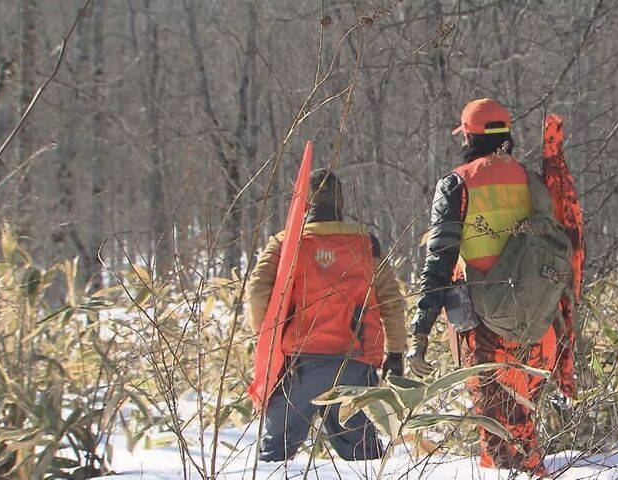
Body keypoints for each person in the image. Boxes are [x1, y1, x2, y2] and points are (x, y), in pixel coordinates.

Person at [407, 98, 578, 473]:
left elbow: (439, 262)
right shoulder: (536, 183)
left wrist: (420, 332)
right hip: (539, 329)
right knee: (519, 430)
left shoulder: (457, 184)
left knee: (501, 438)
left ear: (469, 135)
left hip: (488, 330)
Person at [247, 168, 407, 462]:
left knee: (275, 459)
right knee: (363, 461)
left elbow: (258, 291)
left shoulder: (286, 243)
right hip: (356, 365)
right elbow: (392, 302)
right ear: (341, 203)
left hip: (298, 366)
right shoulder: (366, 243)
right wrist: (395, 352)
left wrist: (267, 339)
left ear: (303, 204)